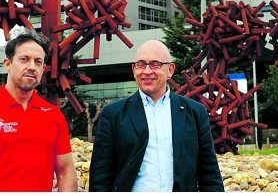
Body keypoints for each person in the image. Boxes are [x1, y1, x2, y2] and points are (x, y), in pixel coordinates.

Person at [89, 39, 224, 192]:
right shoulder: (113, 115)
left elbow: (209, 172)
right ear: (134, 70)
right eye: (141, 64)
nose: (147, 71)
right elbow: (100, 175)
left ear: (170, 70)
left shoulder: (194, 113)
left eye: (155, 64)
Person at [0, 28, 77, 192]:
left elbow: (66, 171)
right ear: (8, 64)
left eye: (38, 62)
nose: (32, 66)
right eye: (24, 59)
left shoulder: (53, 115)